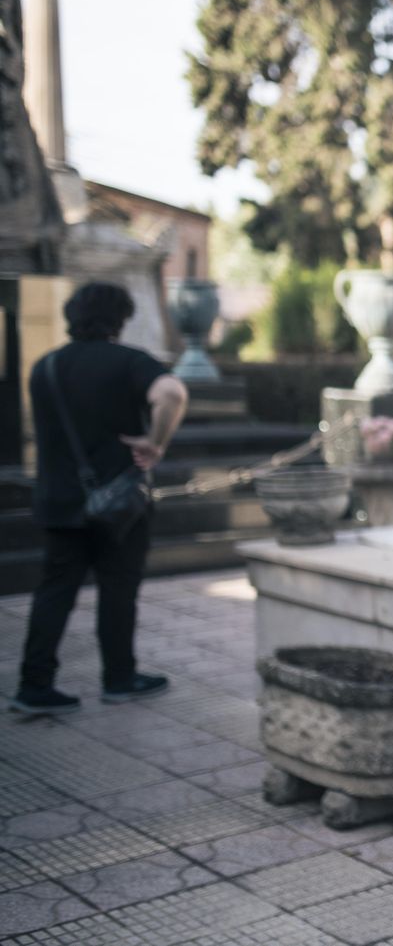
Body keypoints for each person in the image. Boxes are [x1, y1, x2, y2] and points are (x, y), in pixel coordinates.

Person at [10, 282, 189, 715]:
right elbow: (172, 394)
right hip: (120, 505)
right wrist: (156, 442)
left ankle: (34, 686)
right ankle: (119, 679)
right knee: (117, 591)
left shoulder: (45, 367)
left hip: (58, 499)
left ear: (73, 318)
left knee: (54, 592)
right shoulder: (130, 362)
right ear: (121, 318)